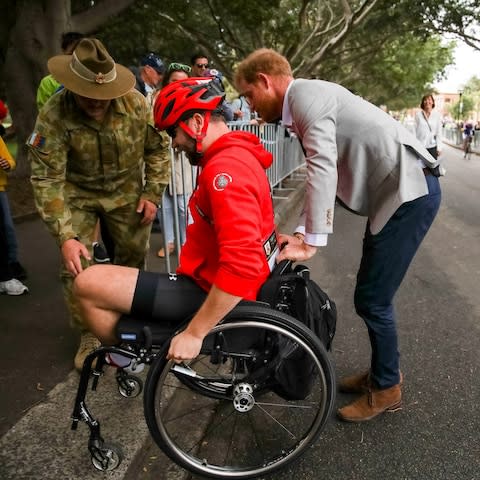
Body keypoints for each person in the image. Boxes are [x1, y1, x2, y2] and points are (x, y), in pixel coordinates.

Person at [234, 48, 442, 422]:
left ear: (265, 81)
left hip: (410, 194)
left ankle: (387, 389)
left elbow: (322, 166)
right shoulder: (305, 98)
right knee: (370, 294)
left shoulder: (304, 98)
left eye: (249, 94)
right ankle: (384, 373)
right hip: (397, 194)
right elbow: (324, 171)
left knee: (373, 299)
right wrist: (301, 230)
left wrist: (311, 241)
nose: (248, 107)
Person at [73, 78, 278, 366]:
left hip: (211, 288)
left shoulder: (224, 172)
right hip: (207, 278)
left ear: (196, 122)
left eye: (173, 131)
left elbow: (242, 265)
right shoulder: (237, 154)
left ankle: (135, 358)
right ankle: (139, 349)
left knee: (87, 283)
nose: (174, 142)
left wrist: (195, 333)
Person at [28, 38, 170, 371]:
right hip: (77, 192)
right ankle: (90, 332)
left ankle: (132, 325)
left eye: (102, 96)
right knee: (76, 265)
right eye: (88, 94)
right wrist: (65, 236)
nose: (96, 102)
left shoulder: (137, 104)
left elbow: (158, 150)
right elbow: (47, 179)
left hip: (127, 192)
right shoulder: (54, 113)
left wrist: (152, 193)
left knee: (132, 260)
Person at [157, 63, 194, 258]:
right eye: (173, 81)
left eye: (182, 82)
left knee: (182, 205)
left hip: (182, 160)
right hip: (160, 161)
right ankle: (169, 242)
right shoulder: (155, 100)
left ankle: (186, 243)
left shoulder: (191, 101)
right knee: (164, 205)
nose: (177, 85)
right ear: (167, 82)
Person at [0, 137, 29, 294]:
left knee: (7, 227)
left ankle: (12, 262)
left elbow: (10, 162)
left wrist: (7, 164)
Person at [36, 32, 85, 110]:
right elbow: (44, 114)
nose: (76, 58)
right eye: (72, 53)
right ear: (63, 51)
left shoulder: (93, 80)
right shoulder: (48, 82)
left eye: (80, 54)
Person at [415, 94, 442, 160]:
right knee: (420, 169)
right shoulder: (418, 115)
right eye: (425, 100)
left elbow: (439, 132)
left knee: (433, 169)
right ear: (423, 102)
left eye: (429, 99)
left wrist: (439, 148)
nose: (427, 101)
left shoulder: (437, 115)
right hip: (420, 146)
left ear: (432, 102)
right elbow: (414, 131)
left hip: (432, 146)